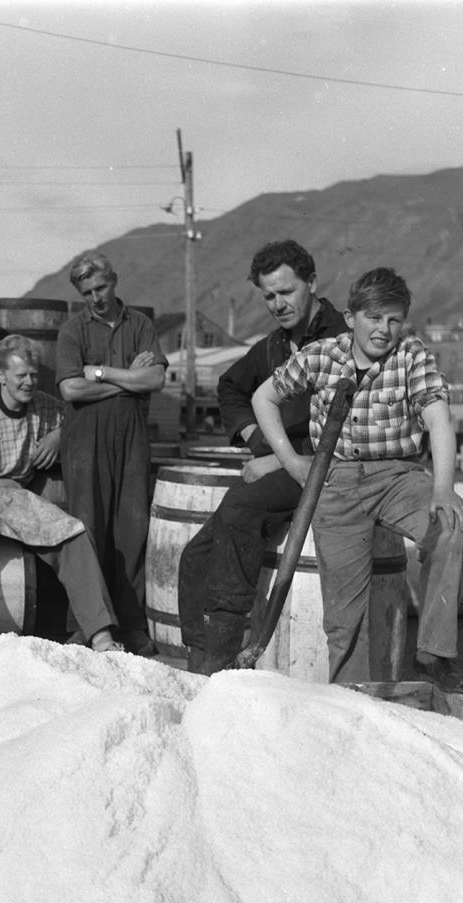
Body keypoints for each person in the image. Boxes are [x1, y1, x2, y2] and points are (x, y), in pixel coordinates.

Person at [252, 266, 463, 689]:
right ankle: (351, 701)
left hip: (397, 476)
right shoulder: (320, 355)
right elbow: (264, 398)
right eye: (374, 318)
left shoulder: (411, 355)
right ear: (351, 318)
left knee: (450, 524)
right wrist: (291, 461)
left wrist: (443, 489)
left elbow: (438, 419)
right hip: (335, 483)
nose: (384, 329)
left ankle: (434, 655)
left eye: (394, 319)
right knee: (344, 620)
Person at [177, 240, 348, 674]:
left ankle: (222, 657)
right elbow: (230, 387)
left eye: (286, 292)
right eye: (269, 296)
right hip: (290, 462)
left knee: (240, 508)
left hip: (327, 465)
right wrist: (258, 438)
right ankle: (199, 659)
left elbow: (349, 425)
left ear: (312, 282)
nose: (278, 304)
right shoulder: (274, 345)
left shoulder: (344, 339)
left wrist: (278, 460)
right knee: (195, 555)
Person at [0, 334, 122, 653]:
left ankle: (100, 635)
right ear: (1, 375)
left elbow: (78, 421)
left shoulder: (46, 407)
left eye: (34, 375)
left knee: (74, 534)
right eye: (21, 375)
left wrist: (59, 435)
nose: (29, 382)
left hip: (17, 497)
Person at [56, 251, 168, 655]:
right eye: (87, 292)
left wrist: (101, 373)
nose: (95, 298)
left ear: (114, 280)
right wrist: (129, 379)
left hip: (131, 438)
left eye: (100, 288)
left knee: (131, 528)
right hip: (85, 442)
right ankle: (85, 626)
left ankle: (132, 625)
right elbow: (70, 388)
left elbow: (155, 378)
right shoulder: (73, 330)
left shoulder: (140, 325)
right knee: (88, 528)